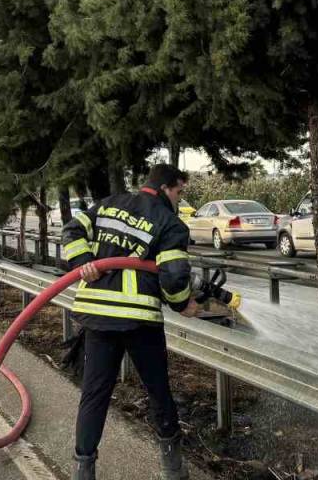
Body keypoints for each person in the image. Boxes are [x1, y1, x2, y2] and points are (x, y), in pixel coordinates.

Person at [60, 164, 198, 480]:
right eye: (179, 192)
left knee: (95, 394)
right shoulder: (170, 222)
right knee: (158, 392)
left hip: (98, 317)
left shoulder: (109, 204)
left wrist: (84, 264)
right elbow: (174, 276)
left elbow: (72, 230)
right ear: (167, 188)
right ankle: (173, 470)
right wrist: (183, 305)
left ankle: (84, 469)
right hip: (140, 321)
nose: (179, 199)